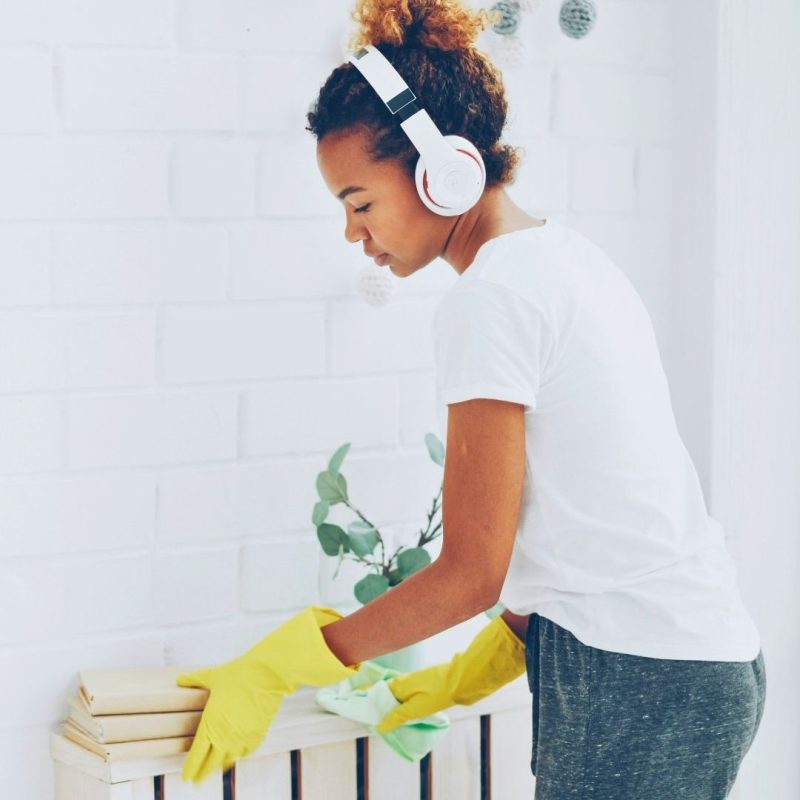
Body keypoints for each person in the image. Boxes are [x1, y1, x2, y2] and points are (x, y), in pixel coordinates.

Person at [175, 1, 767, 796]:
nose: (354, 233)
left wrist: (284, 664)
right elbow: (586, 513)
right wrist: (474, 669)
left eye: (359, 203)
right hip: (686, 666)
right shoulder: (565, 260)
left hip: (637, 681)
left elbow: (469, 572)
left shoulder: (490, 299)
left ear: (440, 170)